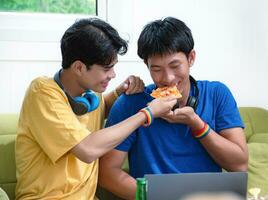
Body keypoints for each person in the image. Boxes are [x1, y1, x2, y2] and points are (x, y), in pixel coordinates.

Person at [15, 17, 177, 200]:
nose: (113, 74)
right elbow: (87, 149)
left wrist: (119, 92)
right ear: (79, 67)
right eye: (107, 68)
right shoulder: (42, 92)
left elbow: (98, 109)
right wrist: (148, 113)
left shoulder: (90, 94)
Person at [99, 17, 248, 200]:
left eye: (175, 66)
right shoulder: (130, 103)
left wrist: (197, 125)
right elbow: (106, 174)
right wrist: (157, 196)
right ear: (147, 66)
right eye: (156, 69)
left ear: (191, 58)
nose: (168, 78)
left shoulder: (218, 94)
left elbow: (239, 165)